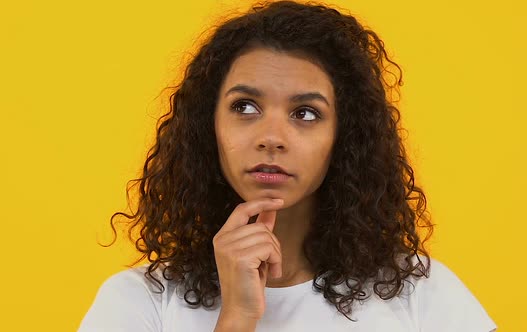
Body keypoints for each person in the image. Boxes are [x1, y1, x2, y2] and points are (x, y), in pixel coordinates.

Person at [79, 1, 497, 331]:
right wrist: (237, 320)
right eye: (245, 107)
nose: (271, 136)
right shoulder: (140, 301)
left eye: (306, 113)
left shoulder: (419, 291)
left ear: (344, 138)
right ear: (209, 127)